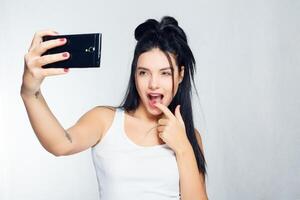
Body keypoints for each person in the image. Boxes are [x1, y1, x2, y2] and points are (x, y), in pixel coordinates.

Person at [20, 16, 208, 200]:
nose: (153, 84)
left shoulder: (188, 136)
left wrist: (183, 147)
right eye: (144, 73)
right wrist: (30, 92)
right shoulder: (106, 120)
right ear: (135, 74)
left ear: (181, 75)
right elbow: (60, 144)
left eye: (165, 73)